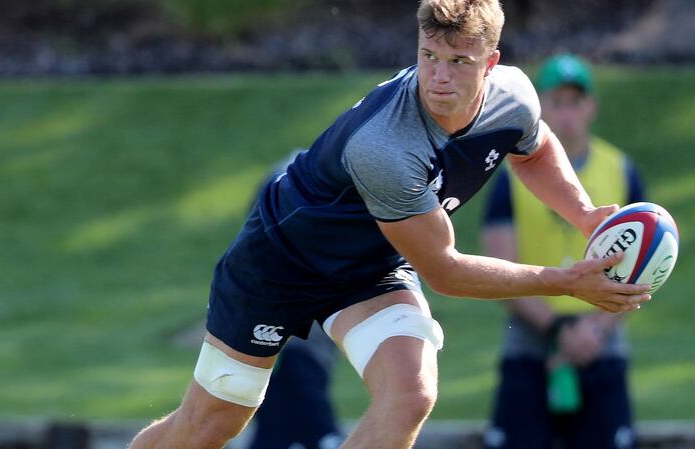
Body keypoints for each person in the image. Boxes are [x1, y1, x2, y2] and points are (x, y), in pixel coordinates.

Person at [127, 1, 651, 448]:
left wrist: (583, 213)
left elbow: (532, 152)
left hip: (371, 268)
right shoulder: (386, 147)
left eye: (457, 61)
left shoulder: (512, 98)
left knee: (411, 394)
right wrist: (564, 282)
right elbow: (445, 272)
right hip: (278, 263)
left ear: (490, 64)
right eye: (428, 57)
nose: (438, 77)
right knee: (210, 425)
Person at [481, 54, 646, 449]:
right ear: (541, 105)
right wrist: (557, 330)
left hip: (601, 340)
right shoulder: (509, 173)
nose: (568, 112)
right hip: (530, 339)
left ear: (591, 106)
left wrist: (591, 332)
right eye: (558, 101)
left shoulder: (621, 169)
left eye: (576, 101)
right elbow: (499, 266)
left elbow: (644, 263)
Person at [247, 153, 345, 449]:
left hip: (317, 301)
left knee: (301, 373)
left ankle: (324, 437)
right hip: (278, 300)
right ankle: (325, 438)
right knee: (278, 388)